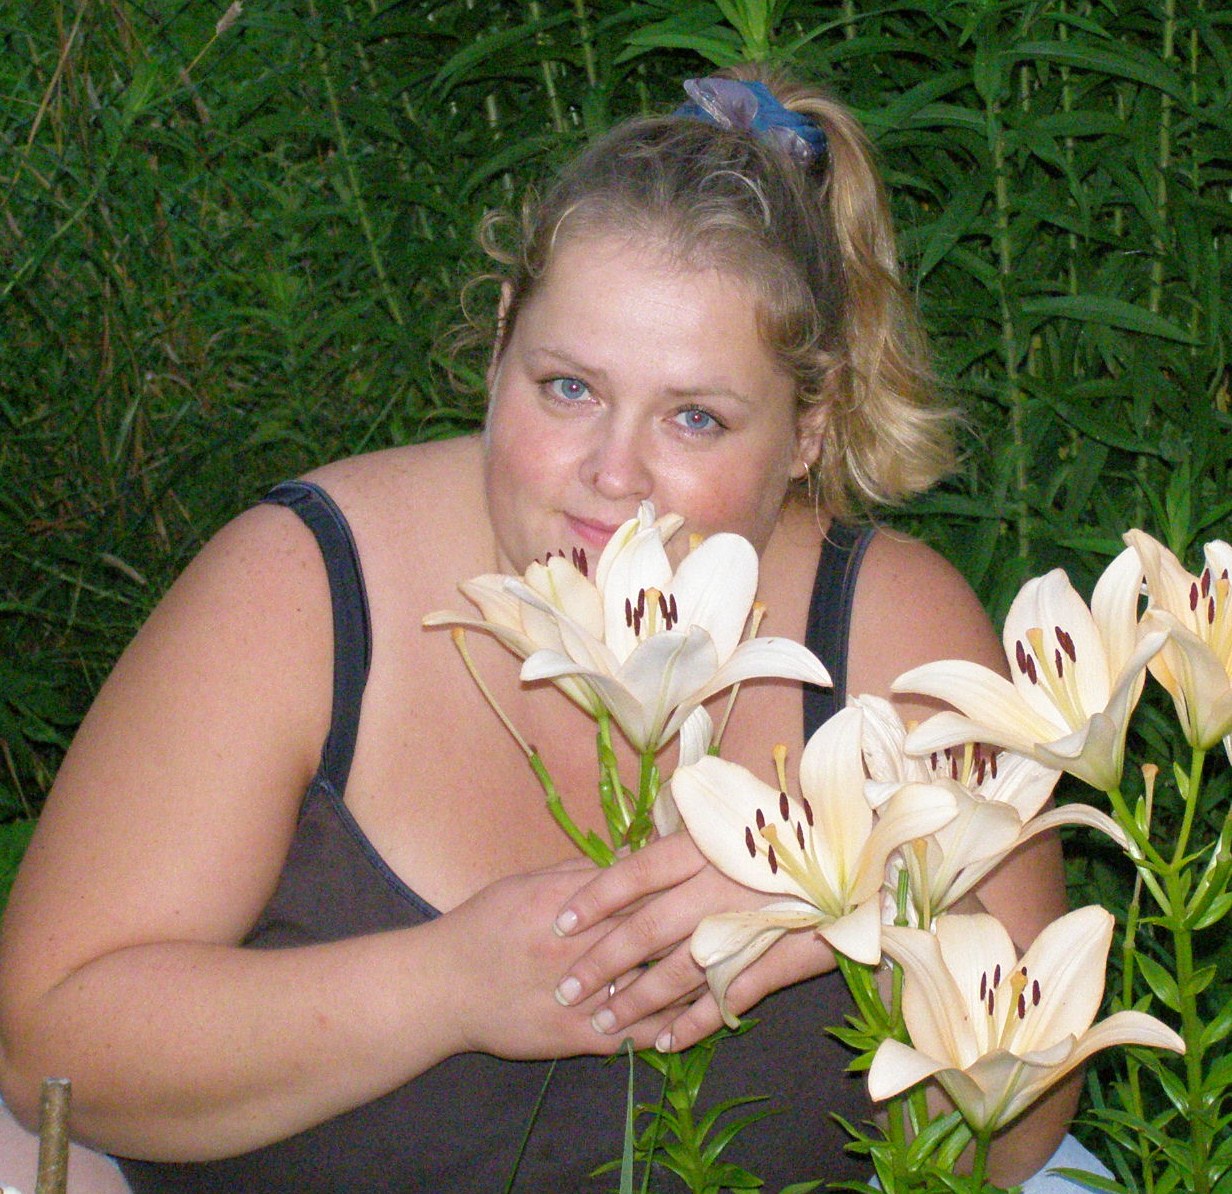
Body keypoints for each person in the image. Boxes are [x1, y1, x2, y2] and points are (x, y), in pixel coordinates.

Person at [0, 65, 1077, 1192]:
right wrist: (449, 985)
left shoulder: (893, 642)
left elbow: (1016, 1141)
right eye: (569, 389)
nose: (612, 474)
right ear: (501, 343)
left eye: (695, 418)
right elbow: (48, 1051)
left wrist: (879, 910)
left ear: (807, 430)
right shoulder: (299, 589)